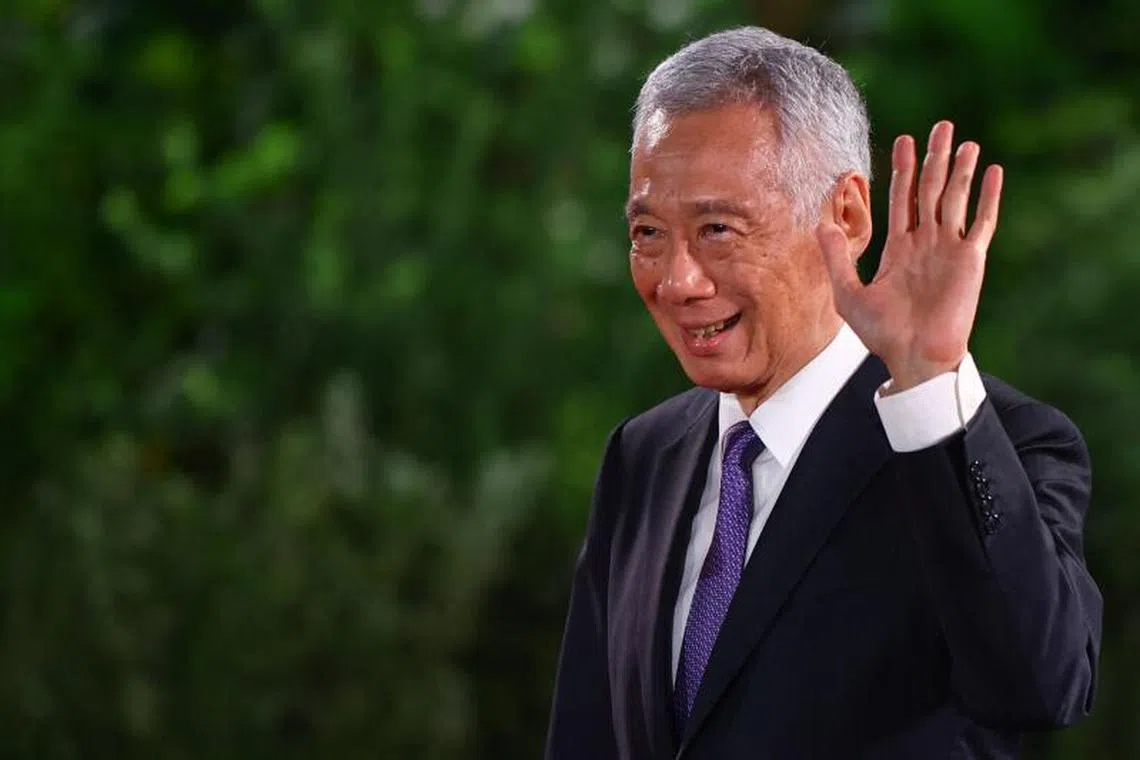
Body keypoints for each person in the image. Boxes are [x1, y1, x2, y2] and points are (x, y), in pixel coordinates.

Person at [544, 26, 1102, 760]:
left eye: (717, 229)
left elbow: (1042, 686)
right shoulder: (642, 457)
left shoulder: (994, 443)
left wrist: (929, 379)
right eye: (648, 232)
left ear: (846, 218)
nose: (677, 281)